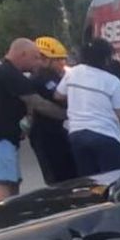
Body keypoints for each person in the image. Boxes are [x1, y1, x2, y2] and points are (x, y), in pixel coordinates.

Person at [0, 38, 66, 204]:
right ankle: (5, 219)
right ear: (22, 54)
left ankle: (14, 210)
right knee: (3, 182)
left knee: (12, 179)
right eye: (35, 57)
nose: (38, 62)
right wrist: (68, 115)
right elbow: (38, 103)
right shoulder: (9, 74)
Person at [56, 37, 120, 174]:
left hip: (77, 134)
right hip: (106, 136)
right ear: (106, 59)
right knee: (113, 179)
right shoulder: (112, 81)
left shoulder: (73, 73)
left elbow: (58, 95)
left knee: (88, 179)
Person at [27, 36, 77, 185]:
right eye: (58, 60)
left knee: (70, 174)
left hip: (58, 132)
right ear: (44, 59)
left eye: (63, 59)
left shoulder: (56, 76)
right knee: (57, 178)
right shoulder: (41, 79)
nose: (63, 63)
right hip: (45, 135)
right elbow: (60, 99)